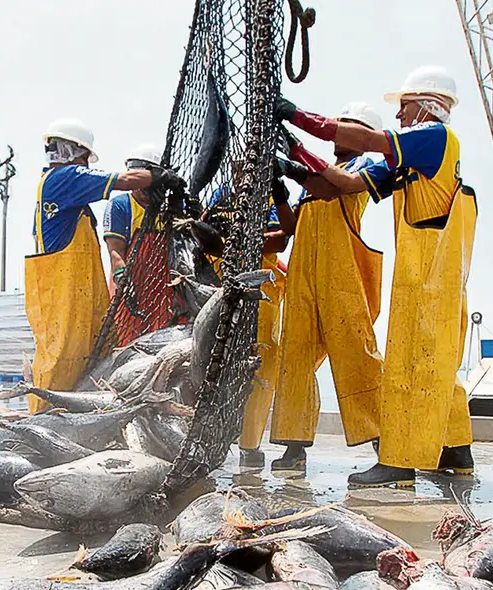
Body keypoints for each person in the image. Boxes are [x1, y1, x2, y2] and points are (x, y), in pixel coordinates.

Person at [276, 66, 476, 487]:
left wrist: (297, 116)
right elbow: (343, 185)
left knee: (409, 361)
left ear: (426, 105)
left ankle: (399, 464)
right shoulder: (411, 156)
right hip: (429, 272)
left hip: (429, 274)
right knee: (438, 362)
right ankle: (456, 450)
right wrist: (294, 156)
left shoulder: (432, 136)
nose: (400, 117)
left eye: (403, 107)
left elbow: (367, 142)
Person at [26, 120, 183, 414]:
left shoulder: (64, 192)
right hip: (63, 296)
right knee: (61, 358)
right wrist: (158, 176)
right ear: (73, 151)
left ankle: (68, 419)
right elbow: (123, 180)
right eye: (85, 158)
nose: (86, 165)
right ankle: (41, 422)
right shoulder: (66, 177)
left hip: (74, 294)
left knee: (85, 359)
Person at [268, 103, 385, 472]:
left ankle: (386, 443)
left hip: (342, 279)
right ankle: (294, 446)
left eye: (345, 126)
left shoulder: (363, 167)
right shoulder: (315, 183)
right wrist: (280, 188)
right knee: (295, 356)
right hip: (304, 278)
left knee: (355, 355)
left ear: (362, 134)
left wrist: (293, 159)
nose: (338, 131)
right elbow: (292, 226)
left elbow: (333, 187)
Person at [202, 167, 295, 468]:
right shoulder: (220, 197)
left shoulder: (269, 198)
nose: (242, 171)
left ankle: (250, 444)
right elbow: (208, 241)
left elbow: (280, 240)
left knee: (261, 363)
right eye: (237, 166)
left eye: (248, 166)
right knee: (216, 361)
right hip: (221, 288)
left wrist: (235, 239)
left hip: (261, 292)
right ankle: (213, 436)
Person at [102, 144, 166, 296]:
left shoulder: (171, 207)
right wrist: (121, 275)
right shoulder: (120, 205)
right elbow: (115, 249)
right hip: (129, 284)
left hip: (164, 287)